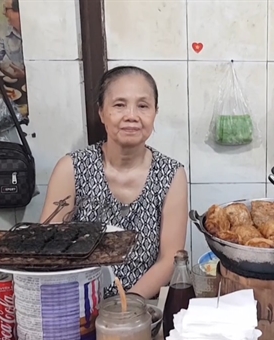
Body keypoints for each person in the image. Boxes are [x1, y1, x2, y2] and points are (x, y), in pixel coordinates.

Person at [40, 66, 189, 299]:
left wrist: (127, 307)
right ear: (101, 112)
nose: (131, 115)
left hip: (142, 308)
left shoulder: (171, 175)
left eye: (143, 105)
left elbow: (170, 258)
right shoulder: (71, 169)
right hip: (76, 304)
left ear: (154, 113)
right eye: (119, 105)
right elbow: (48, 250)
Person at [0, 0, 25, 79]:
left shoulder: (39, 34)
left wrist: (26, 75)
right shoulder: (5, 33)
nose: (3, 13)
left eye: (6, 9)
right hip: (15, 85)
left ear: (19, 11)